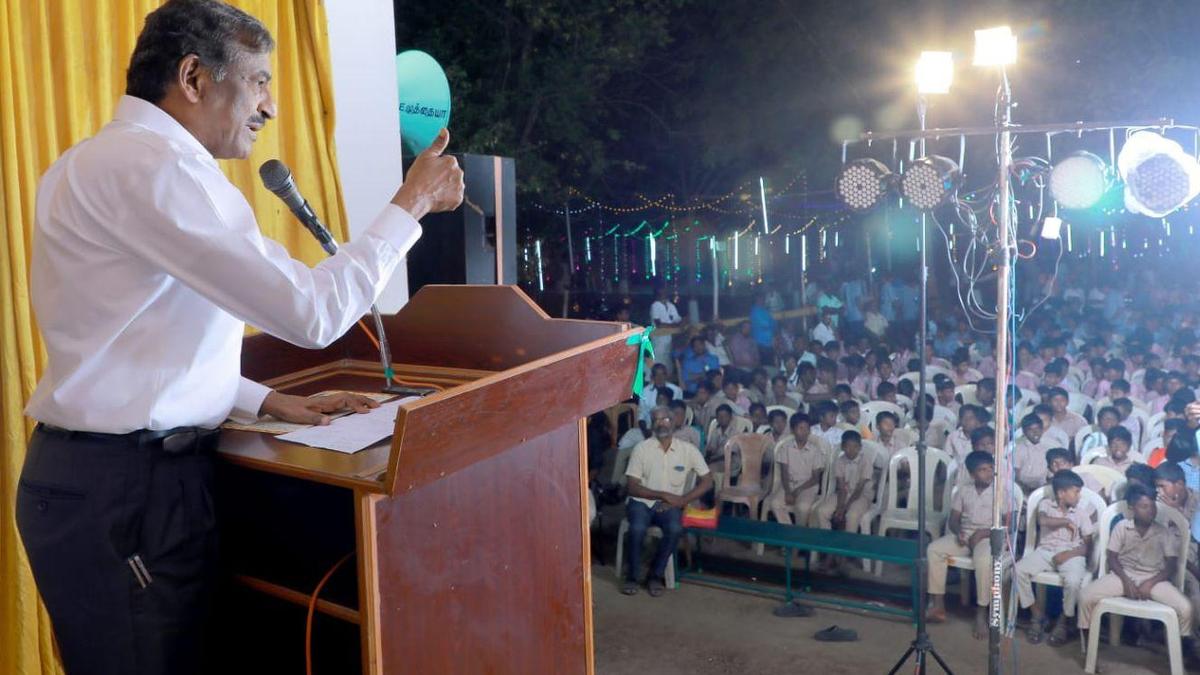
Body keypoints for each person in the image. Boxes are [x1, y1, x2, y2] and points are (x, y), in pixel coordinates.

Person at [14, 3, 465, 672]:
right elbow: (314, 314)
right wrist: (412, 204)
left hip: (91, 484)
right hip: (131, 495)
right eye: (257, 81)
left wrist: (263, 401)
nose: (271, 107)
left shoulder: (90, 163)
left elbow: (134, 338)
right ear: (194, 77)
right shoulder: (160, 171)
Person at [1078, 485, 1196, 663]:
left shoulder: (1163, 532)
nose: (1151, 511)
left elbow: (1171, 564)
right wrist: (1126, 581)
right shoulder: (1121, 527)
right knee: (1086, 595)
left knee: (1185, 607)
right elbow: (1112, 557)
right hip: (1122, 575)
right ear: (1132, 509)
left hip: (1155, 578)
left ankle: (1180, 651)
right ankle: (1088, 647)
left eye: (1153, 506)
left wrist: (1150, 583)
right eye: (1145, 506)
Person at [623, 407, 714, 597]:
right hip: (642, 502)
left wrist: (682, 500)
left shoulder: (687, 450)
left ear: (673, 422)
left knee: (674, 528)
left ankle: (655, 575)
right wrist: (663, 495)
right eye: (656, 420)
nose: (661, 423)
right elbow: (631, 487)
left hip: (671, 505)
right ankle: (632, 576)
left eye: (665, 419)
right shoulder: (642, 448)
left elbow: (708, 481)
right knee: (637, 528)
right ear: (652, 424)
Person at [928, 451, 1006, 638]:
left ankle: (981, 613)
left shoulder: (1001, 490)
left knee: (983, 561)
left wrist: (983, 532)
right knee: (934, 550)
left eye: (990, 469)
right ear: (972, 474)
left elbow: (1009, 524)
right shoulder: (964, 490)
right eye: (982, 470)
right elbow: (953, 519)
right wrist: (959, 533)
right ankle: (938, 604)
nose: (988, 473)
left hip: (990, 536)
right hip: (967, 534)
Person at [1016, 470, 1094, 646]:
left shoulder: (1081, 513)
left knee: (1073, 582)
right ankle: (1037, 616)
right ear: (1060, 493)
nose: (1079, 495)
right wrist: (1066, 522)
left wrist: (1068, 554)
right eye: (1075, 491)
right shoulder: (1045, 505)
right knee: (1018, 571)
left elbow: (1087, 545)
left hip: (1072, 554)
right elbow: (1043, 521)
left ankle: (1063, 622)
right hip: (1045, 551)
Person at [767, 413, 828, 527]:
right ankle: (789, 534)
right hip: (788, 484)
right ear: (792, 430)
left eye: (807, 428)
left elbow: (815, 478)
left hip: (808, 486)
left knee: (802, 507)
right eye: (800, 428)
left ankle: (799, 535)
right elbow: (784, 473)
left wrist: (799, 490)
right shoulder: (785, 448)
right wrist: (789, 492)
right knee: (775, 503)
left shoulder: (815, 450)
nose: (804, 432)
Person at [814, 431, 873, 546]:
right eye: (847, 446)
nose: (851, 450)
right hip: (843, 494)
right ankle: (829, 545)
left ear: (860, 448)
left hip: (861, 496)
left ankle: (847, 548)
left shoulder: (866, 461)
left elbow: (859, 489)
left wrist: (844, 508)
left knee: (851, 515)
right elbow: (841, 487)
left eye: (855, 446)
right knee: (821, 511)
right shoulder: (840, 461)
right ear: (842, 447)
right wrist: (840, 506)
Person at [1013, 413, 1057, 496]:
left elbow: (1051, 475)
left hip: (1043, 488)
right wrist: (1024, 489)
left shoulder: (1047, 449)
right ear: (1024, 432)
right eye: (1030, 430)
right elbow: (1016, 476)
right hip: (1023, 488)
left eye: (1038, 429)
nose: (1035, 432)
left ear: (1042, 429)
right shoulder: (1018, 449)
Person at [649, 285, 682, 372]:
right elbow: (659, 324)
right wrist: (674, 326)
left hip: (671, 339)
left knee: (668, 361)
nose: (665, 293)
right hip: (659, 339)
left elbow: (678, 320)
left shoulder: (671, 306)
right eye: (662, 291)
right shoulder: (655, 306)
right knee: (658, 359)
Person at [749, 293, 777, 363]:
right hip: (761, 344)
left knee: (770, 363)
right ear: (757, 299)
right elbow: (766, 324)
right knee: (765, 364)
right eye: (761, 298)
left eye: (763, 298)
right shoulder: (755, 311)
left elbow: (774, 323)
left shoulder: (764, 310)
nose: (763, 300)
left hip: (769, 343)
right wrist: (771, 325)